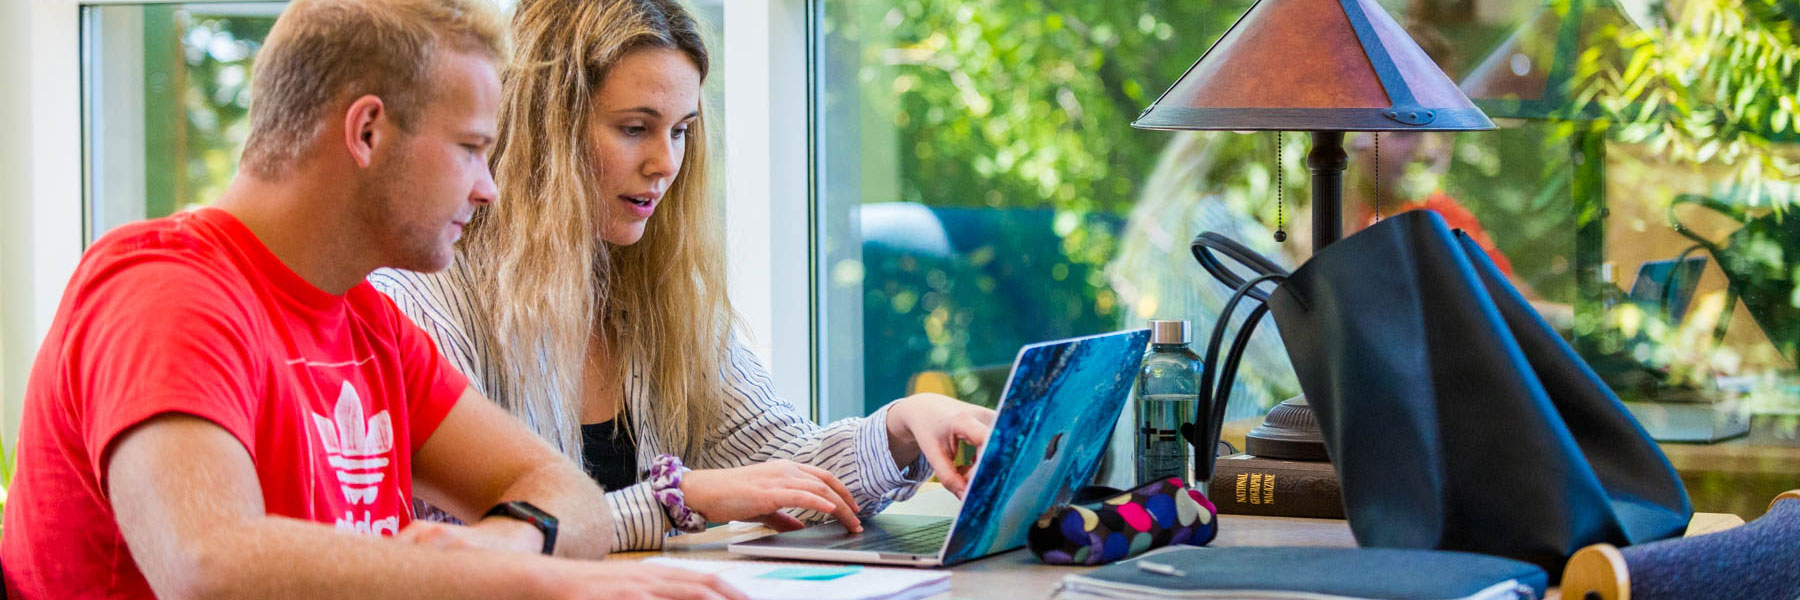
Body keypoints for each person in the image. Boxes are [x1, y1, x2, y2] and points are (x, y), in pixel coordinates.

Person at [0, 0, 742, 598]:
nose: (489, 188)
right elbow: (210, 566)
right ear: (367, 131)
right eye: (471, 149)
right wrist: (519, 576)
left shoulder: (369, 322)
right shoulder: (164, 291)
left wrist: (507, 537)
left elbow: (568, 499)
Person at [368, 0, 996, 550]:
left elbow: (787, 476)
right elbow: (471, 544)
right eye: (634, 128)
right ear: (543, 131)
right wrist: (678, 498)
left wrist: (905, 427)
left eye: (682, 131)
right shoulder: (421, 303)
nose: (664, 163)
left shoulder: (657, 297)